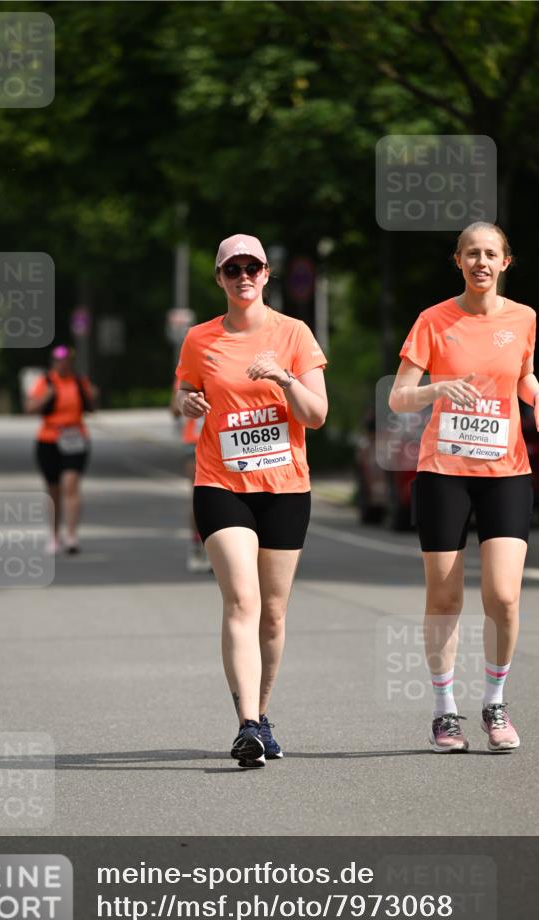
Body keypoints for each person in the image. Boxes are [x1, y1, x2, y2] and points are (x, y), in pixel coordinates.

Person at [389, 222, 539, 753]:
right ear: (458, 261)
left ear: (505, 262)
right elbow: (399, 398)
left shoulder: (524, 318)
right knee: (443, 598)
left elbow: (522, 373)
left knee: (503, 597)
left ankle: (494, 702)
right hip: (444, 472)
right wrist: (438, 387)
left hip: (506, 471)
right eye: (472, 254)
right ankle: (445, 712)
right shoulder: (433, 321)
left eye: (491, 253)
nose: (481, 262)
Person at [175, 234, 328, 767]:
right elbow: (183, 394)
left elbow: (316, 415)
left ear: (267, 275)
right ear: (219, 278)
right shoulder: (199, 338)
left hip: (286, 487)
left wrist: (285, 377)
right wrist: (187, 402)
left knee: (274, 613)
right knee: (243, 599)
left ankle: (261, 717)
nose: (243, 275)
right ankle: (245, 724)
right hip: (221, 483)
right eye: (232, 268)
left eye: (253, 267)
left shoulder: (294, 333)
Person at [25, 345, 97, 554]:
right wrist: (46, 397)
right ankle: (54, 535)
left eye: (65, 360)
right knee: (53, 489)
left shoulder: (79, 382)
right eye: (57, 360)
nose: (61, 364)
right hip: (49, 440)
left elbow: (91, 407)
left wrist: (92, 395)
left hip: (76, 438)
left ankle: (71, 535)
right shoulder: (45, 382)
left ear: (71, 362)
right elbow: (29, 408)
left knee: (71, 485)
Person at [170, 375, 211, 573]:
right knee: (199, 494)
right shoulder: (186, 374)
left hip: (222, 441)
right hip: (195, 441)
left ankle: (213, 546)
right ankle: (197, 544)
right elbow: (175, 409)